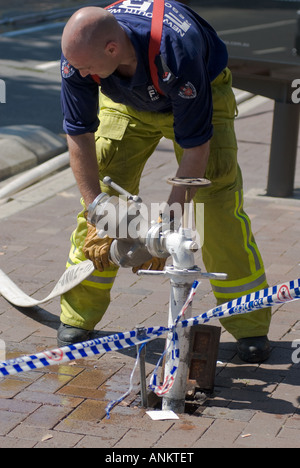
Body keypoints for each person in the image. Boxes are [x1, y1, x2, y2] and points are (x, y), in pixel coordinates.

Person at [58, 0, 271, 363]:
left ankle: (249, 324)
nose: (81, 74)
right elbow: (79, 134)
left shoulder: (177, 51)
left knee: (216, 210)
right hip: (126, 104)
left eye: (88, 68)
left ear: (112, 49)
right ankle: (78, 315)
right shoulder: (79, 59)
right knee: (99, 212)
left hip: (197, 96)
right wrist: (96, 206)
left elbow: (196, 146)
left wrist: (167, 224)